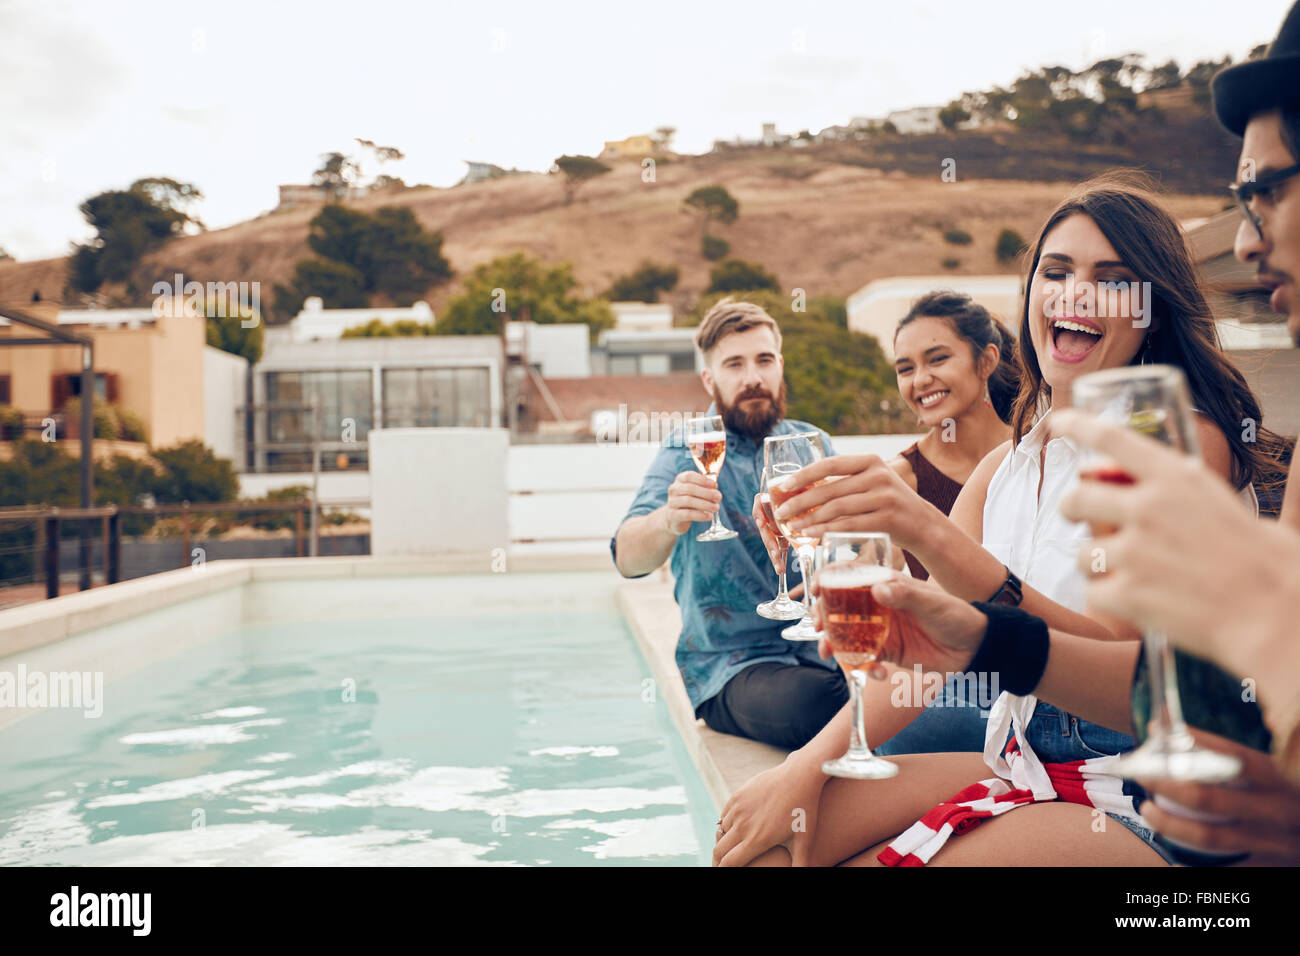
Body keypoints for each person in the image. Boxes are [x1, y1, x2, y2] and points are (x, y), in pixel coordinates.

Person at [715, 174, 1287, 866]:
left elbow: (1121, 678)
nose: (1074, 293)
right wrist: (801, 767)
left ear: (1152, 312)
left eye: (1110, 279)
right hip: (1023, 767)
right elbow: (924, 659)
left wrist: (922, 530)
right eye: (1056, 271)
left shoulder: (1176, 442)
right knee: (768, 844)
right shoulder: (1006, 468)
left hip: (1131, 794)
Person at [1052, 0, 1300, 842]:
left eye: (1262, 192)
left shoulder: (1178, 438)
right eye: (1053, 272)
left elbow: (1153, 661)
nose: (1248, 239)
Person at [611, 298, 843, 750]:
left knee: (913, 682)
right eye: (734, 364)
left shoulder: (812, 442)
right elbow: (626, 558)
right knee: (823, 704)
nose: (752, 377)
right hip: (732, 667)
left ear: (781, 366)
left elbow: (851, 544)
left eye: (764, 360)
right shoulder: (687, 448)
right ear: (709, 379)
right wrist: (668, 520)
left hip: (822, 648)